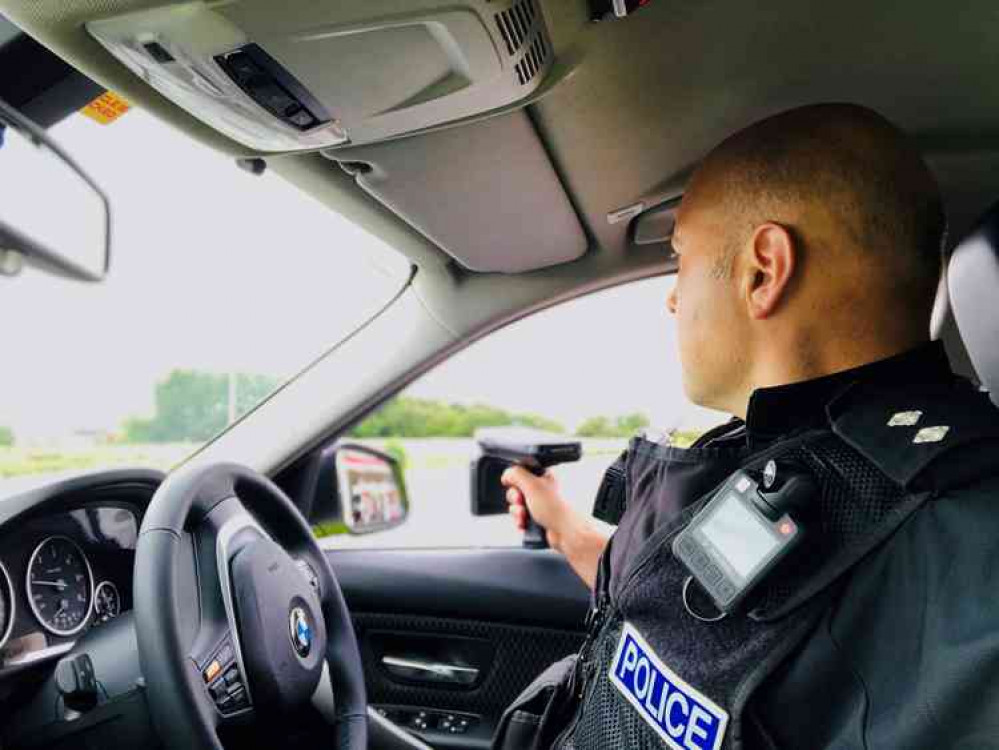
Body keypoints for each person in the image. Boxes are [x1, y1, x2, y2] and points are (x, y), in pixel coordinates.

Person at [498, 103, 999, 749]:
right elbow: (696, 617)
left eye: (679, 258)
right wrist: (561, 522)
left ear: (763, 268)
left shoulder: (968, 546)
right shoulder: (790, 460)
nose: (672, 298)